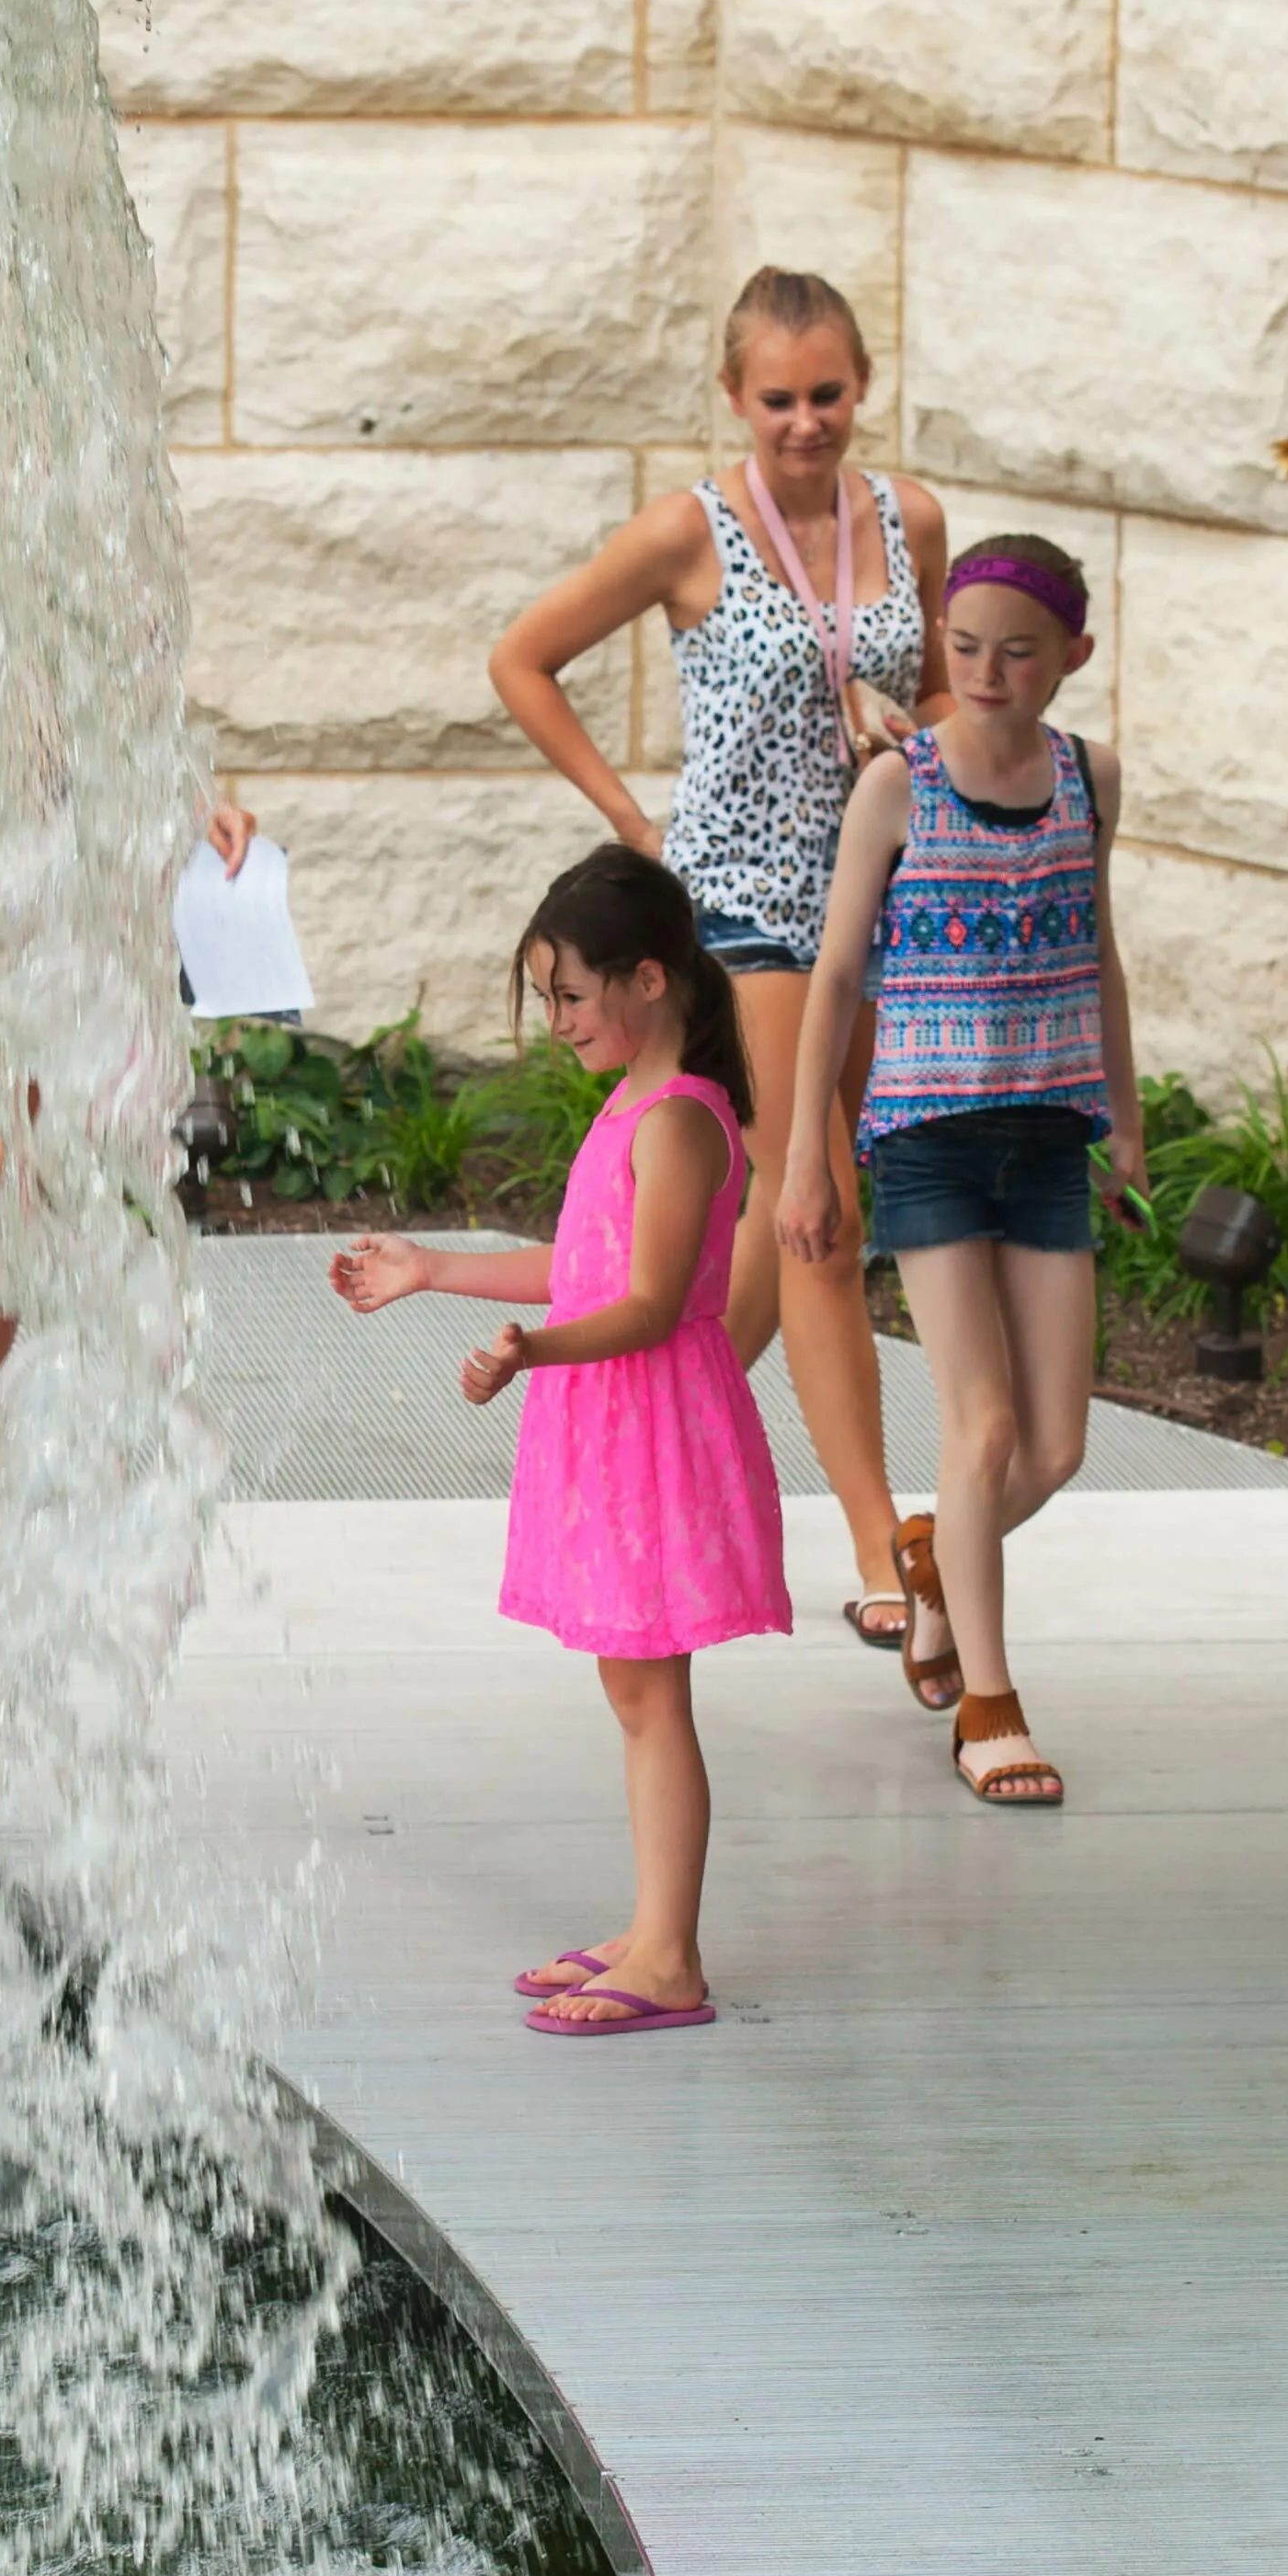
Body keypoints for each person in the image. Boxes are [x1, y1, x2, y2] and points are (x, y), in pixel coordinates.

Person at [486, 267, 949, 1658]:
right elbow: (522, 659)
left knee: (756, 1247)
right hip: (741, 909)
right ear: (735, 397)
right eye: (778, 399)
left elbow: (937, 686)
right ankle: (882, 1548)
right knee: (821, 1209)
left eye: (829, 394)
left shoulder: (907, 518)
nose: (805, 422)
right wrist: (637, 824)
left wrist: (909, 732)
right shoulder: (691, 531)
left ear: (861, 384)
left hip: (874, 896)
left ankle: (642, 1461)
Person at [330, 847, 789, 2036]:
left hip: (652, 1431)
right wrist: (434, 1270)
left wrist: (533, 1351)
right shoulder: (636, 1105)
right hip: (613, 1424)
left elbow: (648, 1301)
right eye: (545, 999)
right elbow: (582, 1265)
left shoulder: (680, 1119)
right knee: (631, 1688)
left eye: (569, 996)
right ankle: (650, 1929)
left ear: (647, 980)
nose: (555, 1022)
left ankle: (672, 1958)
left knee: (651, 1694)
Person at [777, 535, 1143, 1807]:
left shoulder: (1089, 780)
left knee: (1054, 1451)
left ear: (1073, 660)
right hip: (925, 1132)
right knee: (981, 1428)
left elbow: (1096, 953)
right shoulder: (900, 786)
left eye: (1019, 650)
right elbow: (831, 978)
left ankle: (929, 1572)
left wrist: (1125, 1121)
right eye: (966, 645)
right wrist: (802, 1169)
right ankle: (989, 1702)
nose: (987, 670)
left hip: (1047, 1134)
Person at [0, 635, 254, 1582]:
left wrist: (188, 799)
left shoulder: (69, 479)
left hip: (65, 840)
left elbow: (115, 664)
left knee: (24, 1158)